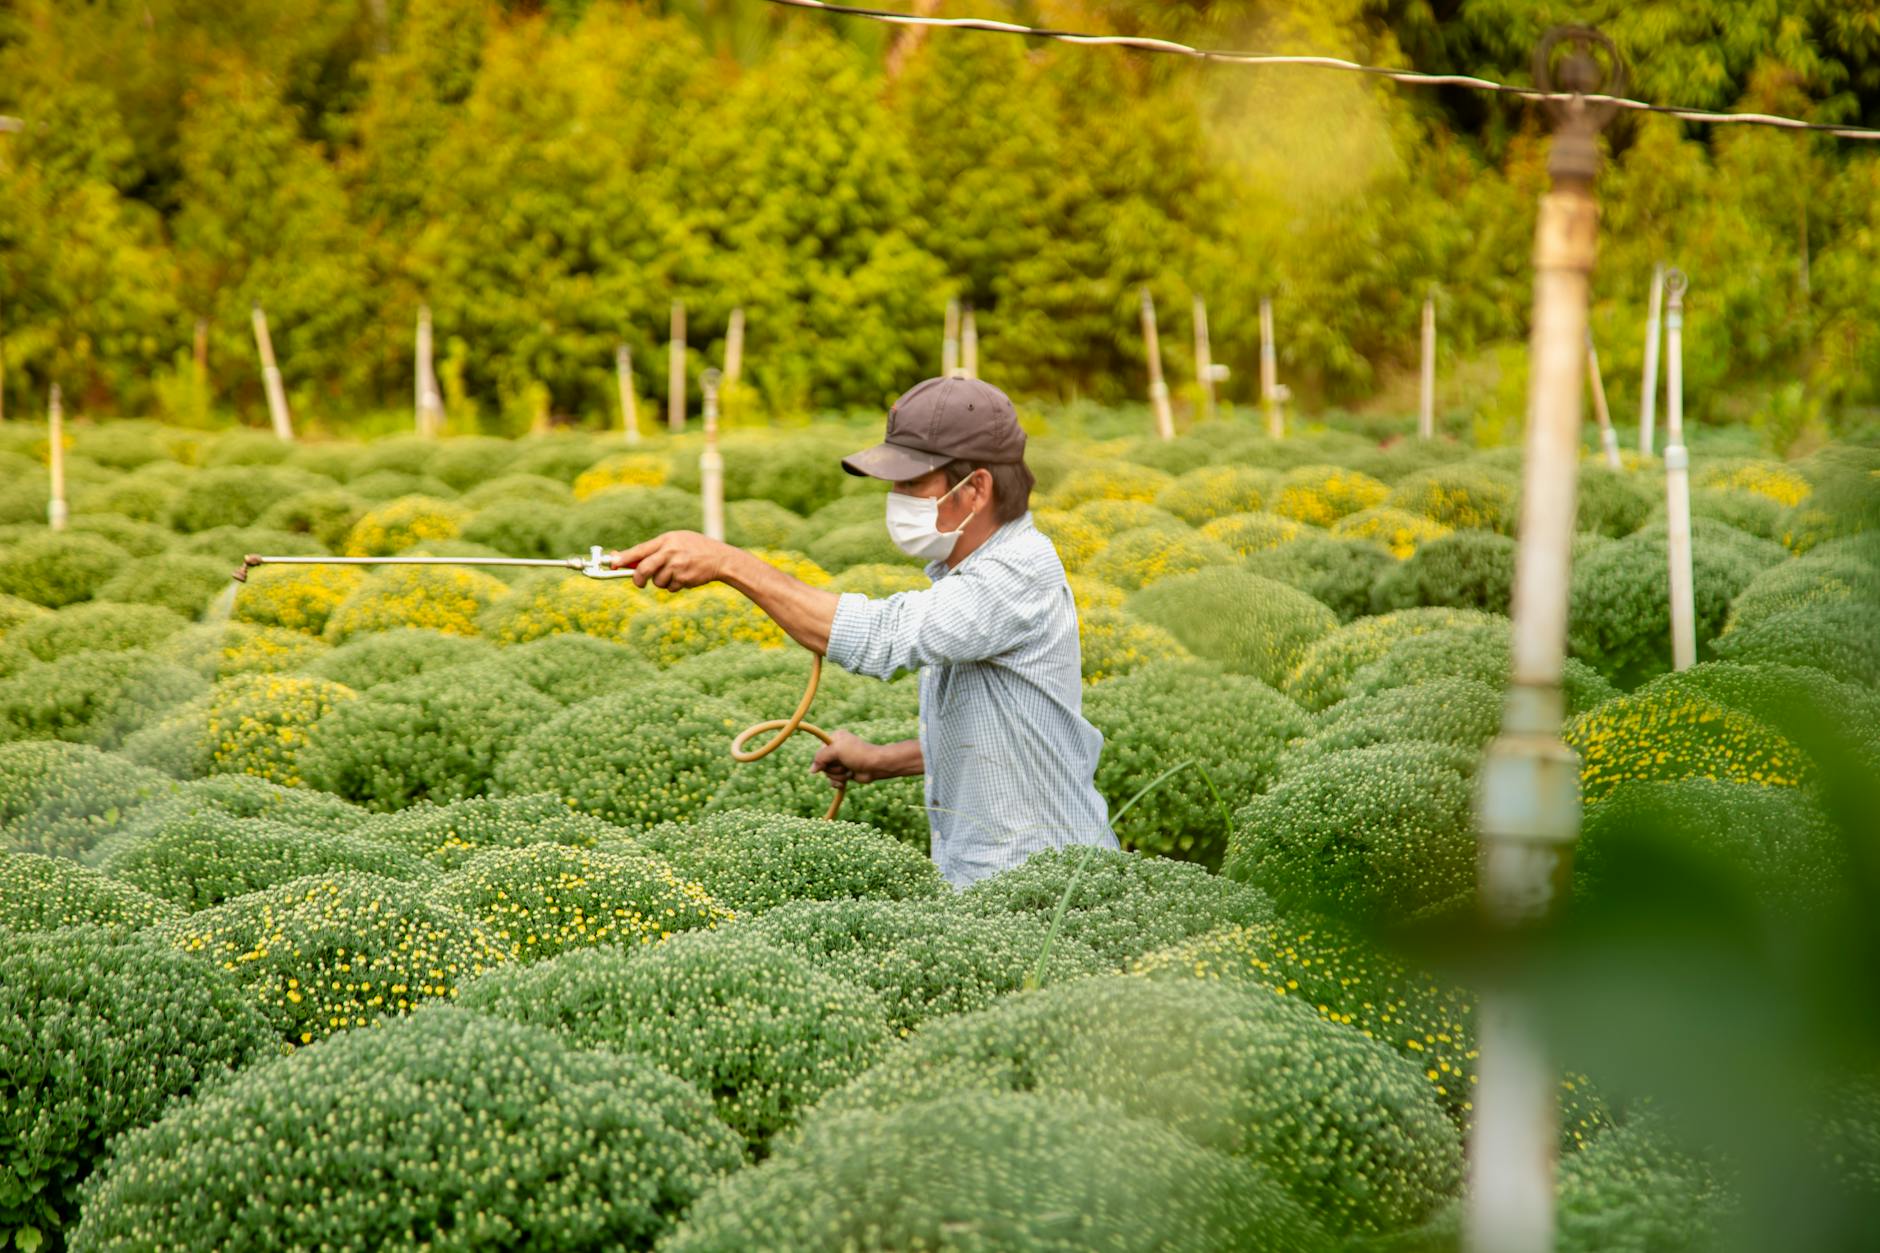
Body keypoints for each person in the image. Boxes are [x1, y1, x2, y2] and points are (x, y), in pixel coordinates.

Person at [607, 375, 1117, 887]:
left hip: (1044, 887)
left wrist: (728, 563)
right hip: (999, 875)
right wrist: (882, 760)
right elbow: (1007, 733)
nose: (896, 499)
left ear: (977, 488)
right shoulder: (970, 572)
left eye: (913, 483)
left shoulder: (1014, 574)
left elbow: (881, 638)